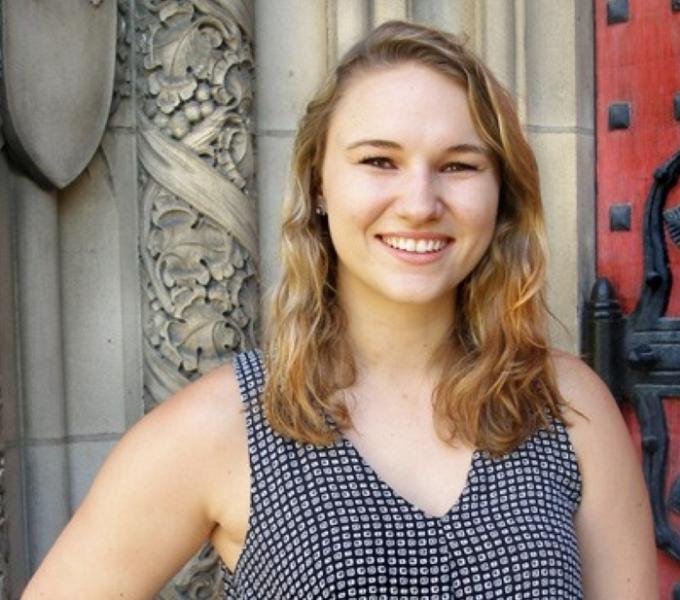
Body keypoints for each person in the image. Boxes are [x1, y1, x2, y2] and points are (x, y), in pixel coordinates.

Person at [23, 20, 657, 600]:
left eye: (459, 165)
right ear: (320, 185)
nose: (419, 202)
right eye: (379, 161)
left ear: (502, 194)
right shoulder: (225, 425)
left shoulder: (569, 411)